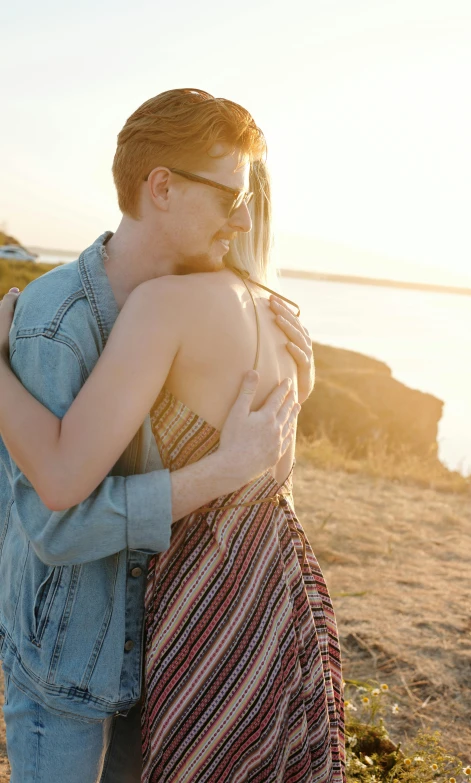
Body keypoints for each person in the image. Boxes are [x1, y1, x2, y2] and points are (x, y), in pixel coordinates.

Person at [0, 89, 344, 782]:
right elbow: (54, 521)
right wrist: (220, 472)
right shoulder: (55, 319)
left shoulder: (201, 309)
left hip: (164, 652)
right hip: (70, 674)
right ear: (162, 187)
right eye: (228, 198)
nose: (242, 217)